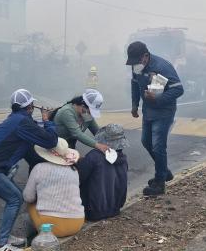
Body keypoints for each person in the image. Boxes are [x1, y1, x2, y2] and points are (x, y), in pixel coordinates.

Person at [0, 89, 58, 251]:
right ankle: (0, 245)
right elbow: (50, 141)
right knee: (15, 198)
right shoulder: (23, 123)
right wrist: (47, 120)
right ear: (30, 106)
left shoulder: (17, 120)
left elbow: (30, 152)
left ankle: (5, 236)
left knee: (14, 197)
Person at [126, 41, 184, 196]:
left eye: (137, 61)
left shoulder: (162, 67)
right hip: (148, 110)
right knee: (146, 141)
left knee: (158, 146)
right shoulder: (136, 67)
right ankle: (164, 172)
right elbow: (134, 84)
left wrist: (158, 99)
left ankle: (159, 183)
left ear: (145, 56)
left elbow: (179, 89)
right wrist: (134, 105)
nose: (135, 66)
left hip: (164, 111)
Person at [23, 138, 85, 238]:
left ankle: (31, 241)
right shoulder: (74, 170)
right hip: (77, 223)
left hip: (51, 227)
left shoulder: (39, 168)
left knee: (30, 204)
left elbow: (28, 197)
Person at [77, 124, 129, 221]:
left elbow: (78, 178)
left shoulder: (94, 156)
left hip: (93, 212)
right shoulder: (123, 159)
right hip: (115, 209)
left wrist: (79, 162)